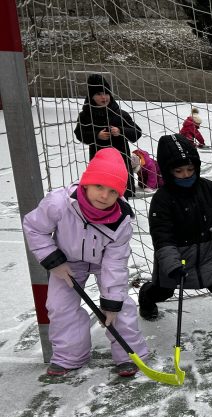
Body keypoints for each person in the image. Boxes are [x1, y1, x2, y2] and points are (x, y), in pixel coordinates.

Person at [22, 148, 150, 377]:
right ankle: (69, 356)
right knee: (59, 306)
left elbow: (115, 263)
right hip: (67, 261)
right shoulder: (59, 203)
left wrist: (111, 303)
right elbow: (34, 227)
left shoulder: (120, 221)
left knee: (121, 307)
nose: (104, 195)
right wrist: (53, 259)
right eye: (99, 186)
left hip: (103, 263)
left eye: (112, 191)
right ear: (86, 183)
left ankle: (130, 354)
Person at [138, 134, 212, 339]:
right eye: (179, 171)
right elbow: (162, 236)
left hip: (208, 253)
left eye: (190, 169)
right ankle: (146, 297)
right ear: (168, 171)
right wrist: (172, 265)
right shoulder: (162, 199)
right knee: (163, 292)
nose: (186, 175)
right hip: (176, 256)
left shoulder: (207, 188)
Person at [74, 74, 142, 197]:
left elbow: (137, 132)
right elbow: (79, 133)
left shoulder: (120, 114)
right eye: (99, 94)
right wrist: (96, 135)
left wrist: (121, 131)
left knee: (121, 195)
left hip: (120, 164)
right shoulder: (85, 116)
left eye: (106, 93)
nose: (104, 97)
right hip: (99, 163)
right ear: (91, 96)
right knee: (101, 195)